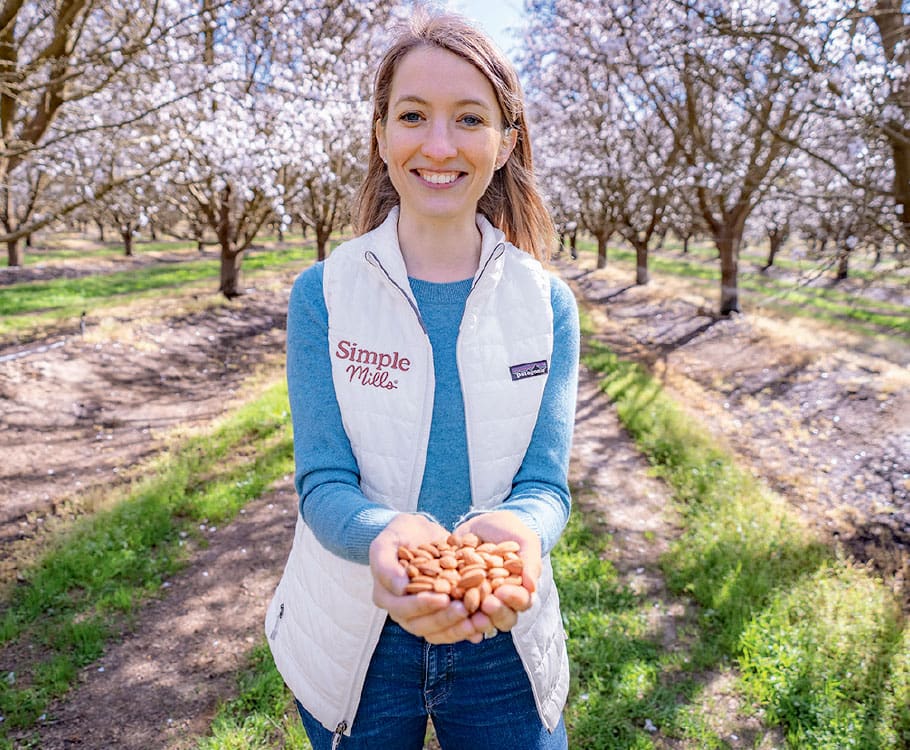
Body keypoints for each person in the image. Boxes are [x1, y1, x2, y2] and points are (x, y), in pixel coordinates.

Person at [266, 10, 579, 750]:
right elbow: (325, 483)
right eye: (413, 115)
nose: (439, 145)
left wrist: (521, 535)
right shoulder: (324, 296)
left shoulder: (546, 304)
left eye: (469, 118)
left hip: (502, 633)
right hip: (355, 640)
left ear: (505, 143)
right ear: (382, 135)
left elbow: (544, 484)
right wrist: (387, 540)